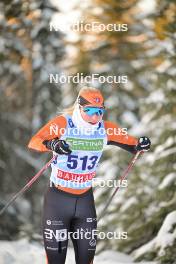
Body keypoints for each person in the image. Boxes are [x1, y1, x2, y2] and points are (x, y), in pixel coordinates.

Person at [28, 86, 151, 264]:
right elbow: (34, 142)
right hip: (57, 201)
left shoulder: (105, 129)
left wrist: (142, 144)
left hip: (85, 201)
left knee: (86, 260)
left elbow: (133, 145)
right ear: (79, 108)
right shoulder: (64, 123)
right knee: (55, 260)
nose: (95, 117)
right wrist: (52, 144)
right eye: (90, 111)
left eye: (99, 111)